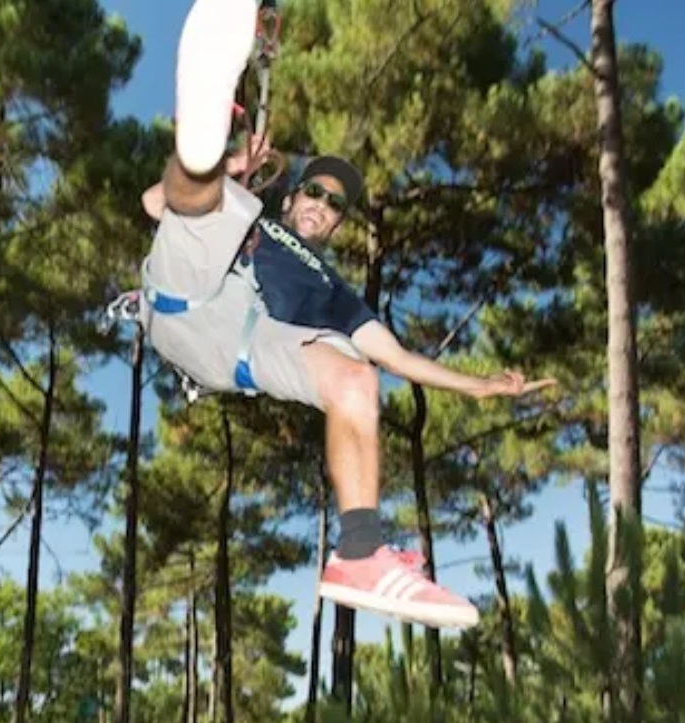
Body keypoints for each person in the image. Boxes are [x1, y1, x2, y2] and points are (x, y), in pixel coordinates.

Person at [135, 0, 556, 629]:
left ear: (337, 223)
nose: (322, 206)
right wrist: (234, 168)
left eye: (335, 205)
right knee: (218, 207)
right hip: (190, 297)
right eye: (314, 191)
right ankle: (201, 139)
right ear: (292, 196)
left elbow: (398, 358)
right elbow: (152, 204)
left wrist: (480, 387)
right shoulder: (256, 213)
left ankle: (359, 554)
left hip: (246, 346)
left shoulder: (335, 290)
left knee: (358, 375)